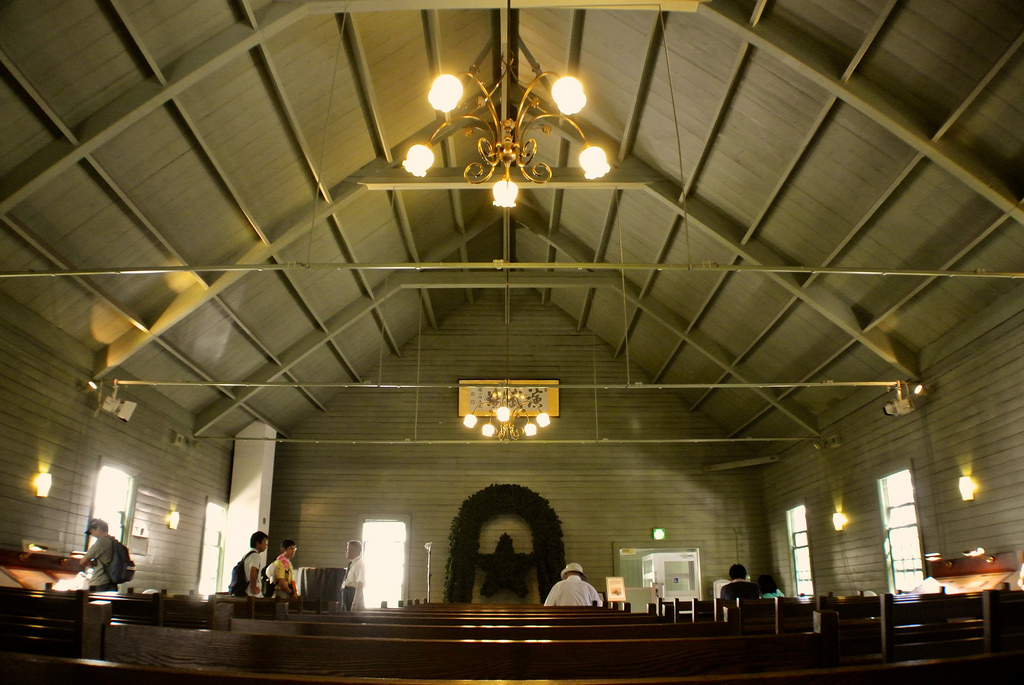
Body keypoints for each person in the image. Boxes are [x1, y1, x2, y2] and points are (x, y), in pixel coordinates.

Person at [80, 518, 120, 591]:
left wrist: (89, 563)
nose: (91, 534)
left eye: (91, 531)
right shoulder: (114, 541)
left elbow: (83, 561)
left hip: (99, 582)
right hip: (112, 582)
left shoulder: (101, 542)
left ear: (98, 528)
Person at [341, 540, 365, 611]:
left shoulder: (359, 564)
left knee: (351, 618)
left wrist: (354, 603)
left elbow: (360, 583)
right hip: (347, 592)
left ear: (354, 550)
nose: (346, 551)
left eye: (348, 549)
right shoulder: (352, 563)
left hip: (353, 594)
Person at [244, 531, 269, 596]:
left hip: (245, 591)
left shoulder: (246, 555)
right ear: (257, 543)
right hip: (251, 594)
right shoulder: (255, 556)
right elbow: (253, 570)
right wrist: (253, 588)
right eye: (264, 541)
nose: (266, 544)